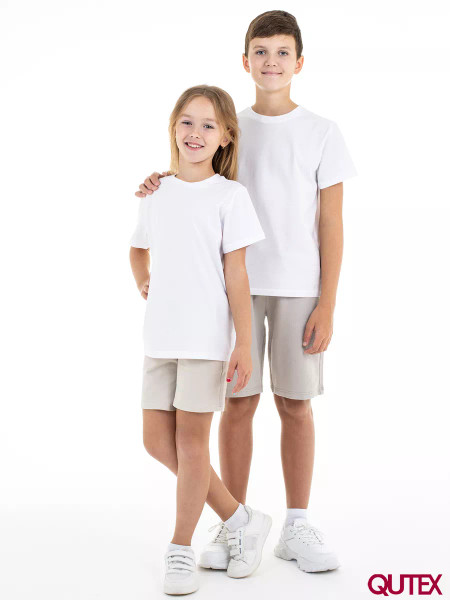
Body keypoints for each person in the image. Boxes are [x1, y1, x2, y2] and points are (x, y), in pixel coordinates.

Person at [136, 11, 357, 574]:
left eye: (282, 53)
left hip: (298, 286)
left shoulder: (322, 131)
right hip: (229, 289)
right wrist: (158, 181)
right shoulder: (228, 121)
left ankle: (297, 523)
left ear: (299, 63)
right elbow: (196, 178)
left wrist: (328, 301)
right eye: (260, 51)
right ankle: (234, 523)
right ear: (245, 60)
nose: (271, 62)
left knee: (296, 404)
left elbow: (331, 222)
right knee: (238, 403)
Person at [129, 85, 271, 595]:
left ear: (226, 136)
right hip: (159, 337)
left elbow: (237, 274)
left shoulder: (230, 196)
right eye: (187, 122)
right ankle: (240, 518)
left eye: (209, 125)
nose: (196, 132)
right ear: (173, 127)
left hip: (206, 338)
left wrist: (243, 343)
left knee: (191, 445)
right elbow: (138, 247)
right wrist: (143, 279)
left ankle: (180, 548)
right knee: (155, 441)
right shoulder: (156, 191)